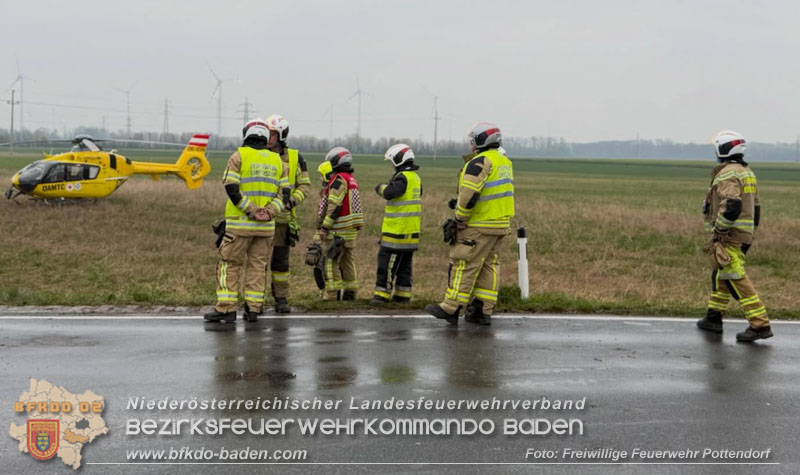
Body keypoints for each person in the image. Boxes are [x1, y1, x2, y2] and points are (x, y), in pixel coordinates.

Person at [425, 122, 515, 326]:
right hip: (500, 224)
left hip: (478, 225)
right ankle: (482, 310)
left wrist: (460, 218)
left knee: (463, 264)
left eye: (473, 141)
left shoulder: (479, 161)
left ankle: (451, 307)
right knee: (489, 266)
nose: (471, 144)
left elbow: (469, 195)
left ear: (481, 141)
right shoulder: (504, 161)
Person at [204, 120, 288, 323]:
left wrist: (251, 211)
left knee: (230, 265)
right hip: (266, 228)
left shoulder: (238, 156)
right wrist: (269, 212)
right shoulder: (278, 161)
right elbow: (285, 194)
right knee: (258, 267)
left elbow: (231, 188)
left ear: (246, 135)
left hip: (239, 225)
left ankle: (226, 309)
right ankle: (253, 309)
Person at [697, 131, 772, 342]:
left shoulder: (727, 174)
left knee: (735, 277)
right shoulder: (746, 172)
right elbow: (756, 207)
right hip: (743, 234)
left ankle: (759, 324)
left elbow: (731, 204)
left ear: (723, 150)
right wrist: (749, 234)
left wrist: (720, 230)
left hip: (729, 235)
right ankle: (714, 317)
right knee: (721, 274)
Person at [264, 114, 312, 313]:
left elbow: (305, 185)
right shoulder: (259, 155)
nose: (268, 137)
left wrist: (292, 201)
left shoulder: (295, 158)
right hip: (261, 218)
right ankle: (255, 301)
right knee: (259, 262)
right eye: (266, 133)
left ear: (281, 135)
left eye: (272, 134)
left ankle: (281, 298)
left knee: (281, 263)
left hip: (283, 220)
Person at [369, 144, 422, 305]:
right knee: (404, 265)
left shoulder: (402, 178)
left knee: (387, 264)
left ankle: (381, 294)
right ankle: (402, 295)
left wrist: (380, 187)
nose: (392, 165)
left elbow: (389, 193)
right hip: (411, 231)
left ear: (399, 161)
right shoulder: (415, 178)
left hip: (397, 232)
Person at [315, 147, 364, 300]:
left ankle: (332, 294)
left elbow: (334, 206)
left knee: (331, 261)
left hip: (338, 229)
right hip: (350, 229)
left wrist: (324, 227)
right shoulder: (351, 178)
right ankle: (350, 292)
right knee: (347, 261)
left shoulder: (338, 180)